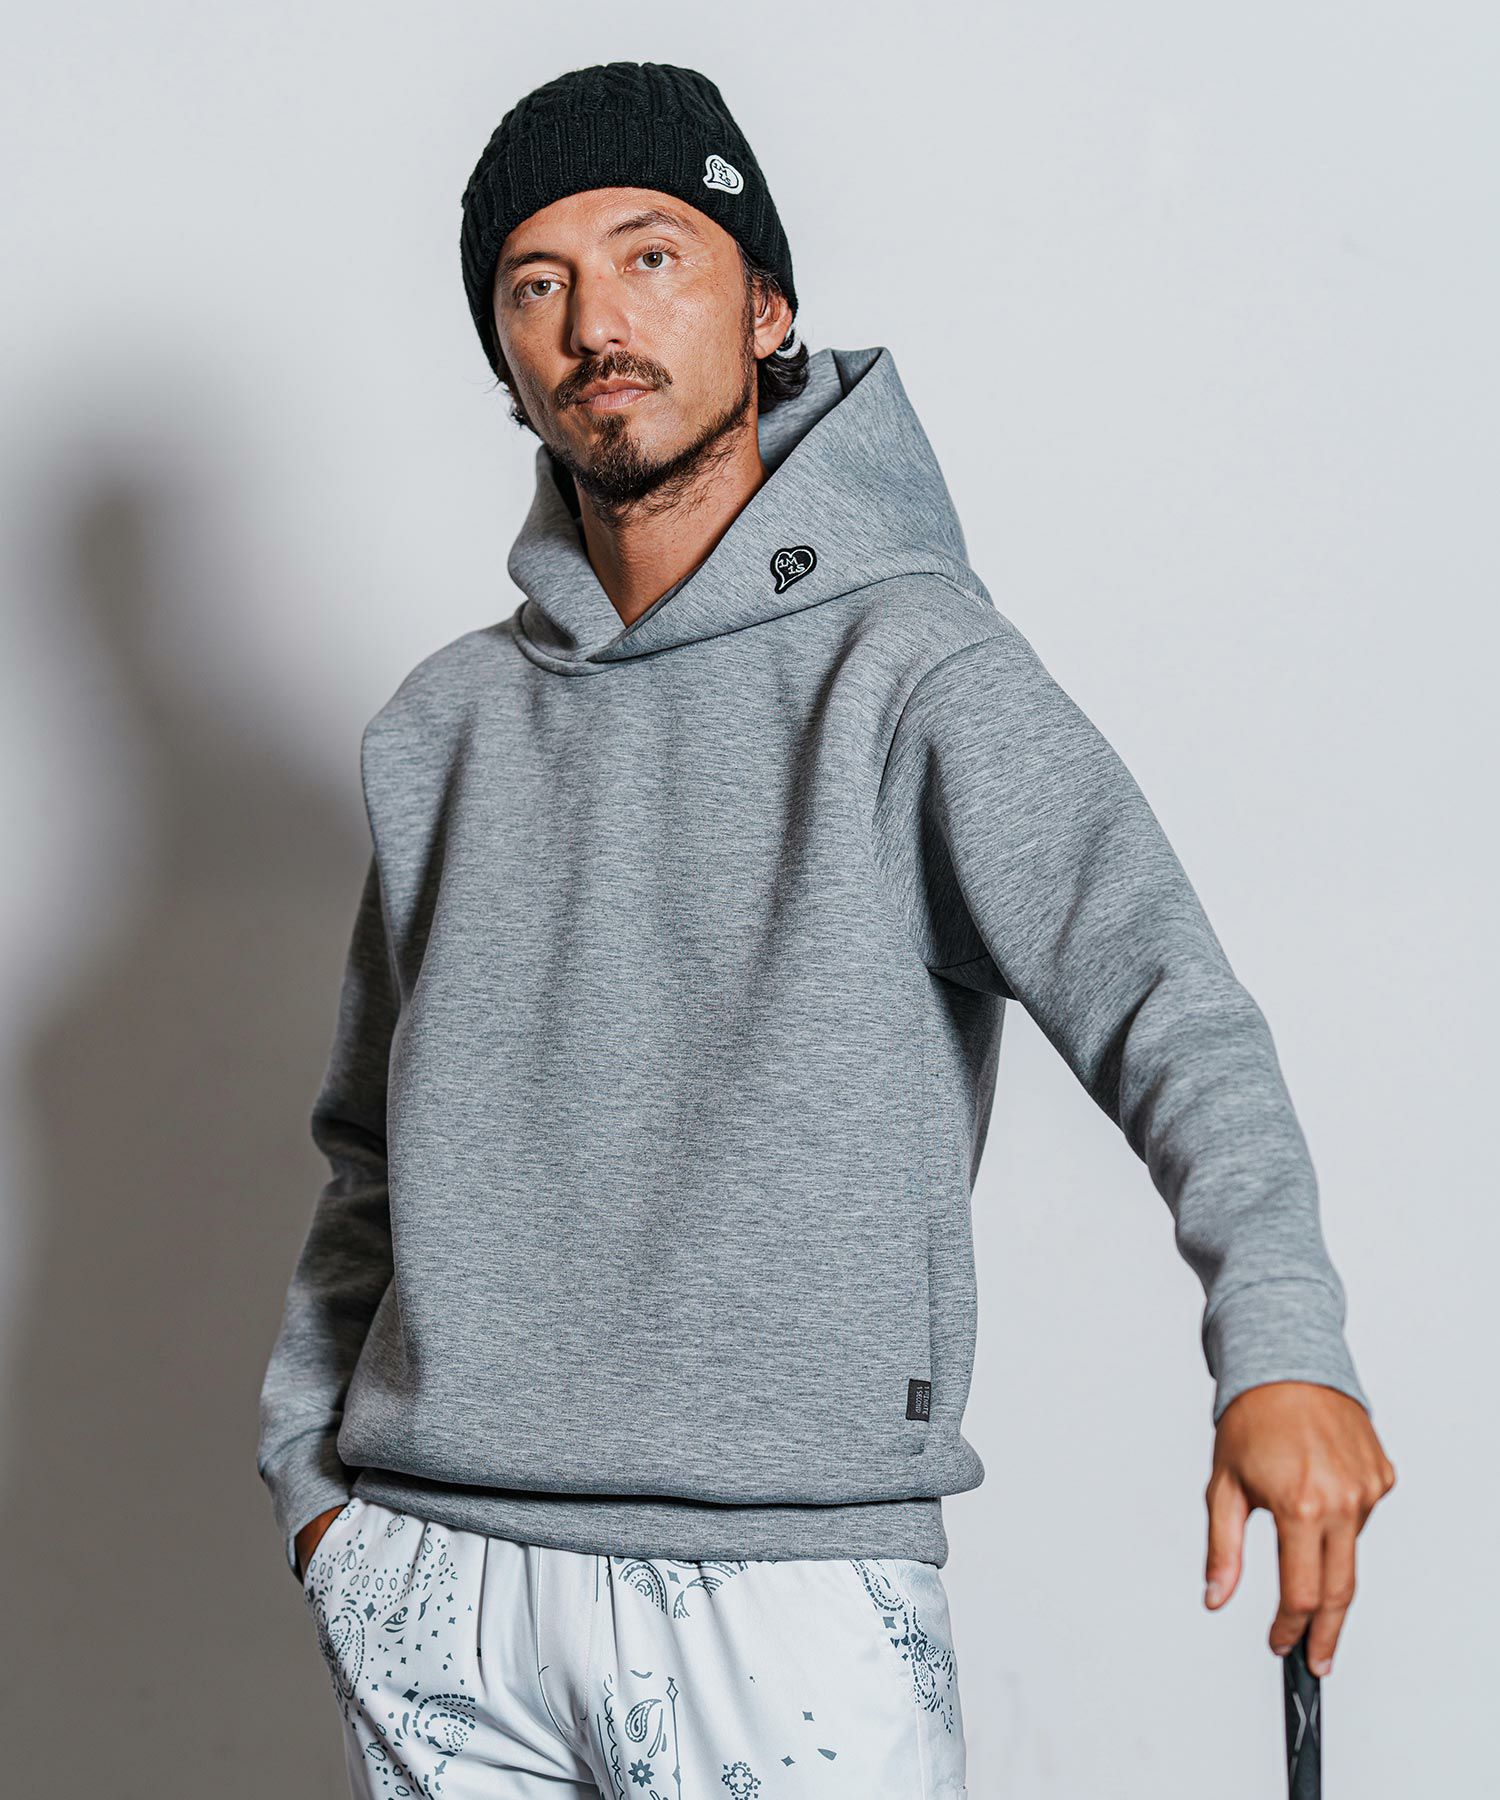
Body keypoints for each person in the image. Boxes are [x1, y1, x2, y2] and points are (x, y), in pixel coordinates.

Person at [257, 60, 1395, 1799]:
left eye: (651, 256)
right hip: (439, 1588)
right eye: (538, 284)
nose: (595, 324)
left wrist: (1286, 1348)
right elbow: (366, 1154)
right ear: (505, 351)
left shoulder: (914, 670)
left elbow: (1168, 1004)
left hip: (781, 1586)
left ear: (766, 307)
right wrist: (318, 1495)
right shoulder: (442, 728)